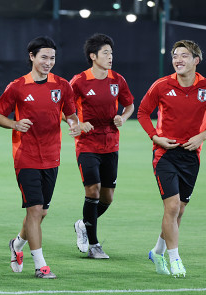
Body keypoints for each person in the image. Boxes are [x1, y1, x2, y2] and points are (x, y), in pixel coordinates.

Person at [138, 40, 206, 277]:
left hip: (191, 156)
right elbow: (143, 112)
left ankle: (157, 250)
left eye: (184, 56)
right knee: (172, 206)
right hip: (164, 153)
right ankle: (175, 259)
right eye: (175, 55)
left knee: (179, 211)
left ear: (196, 60)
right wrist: (155, 137)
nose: (178, 59)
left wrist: (203, 136)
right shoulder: (161, 85)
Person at [0, 36, 81, 279]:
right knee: (34, 210)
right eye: (44, 57)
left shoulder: (62, 85)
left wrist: (73, 124)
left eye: (52, 58)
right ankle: (41, 266)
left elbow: (71, 114)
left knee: (41, 212)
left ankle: (17, 245)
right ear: (32, 57)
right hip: (26, 156)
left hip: (52, 156)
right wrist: (15, 123)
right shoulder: (18, 86)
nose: (48, 62)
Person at [70, 34, 134, 259]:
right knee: (93, 190)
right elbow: (64, 109)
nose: (110, 57)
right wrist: (78, 123)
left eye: (111, 53)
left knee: (107, 198)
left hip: (111, 144)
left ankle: (83, 224)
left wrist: (123, 119)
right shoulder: (79, 81)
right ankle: (95, 245)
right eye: (105, 53)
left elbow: (129, 105)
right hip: (87, 145)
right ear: (93, 56)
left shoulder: (118, 79)